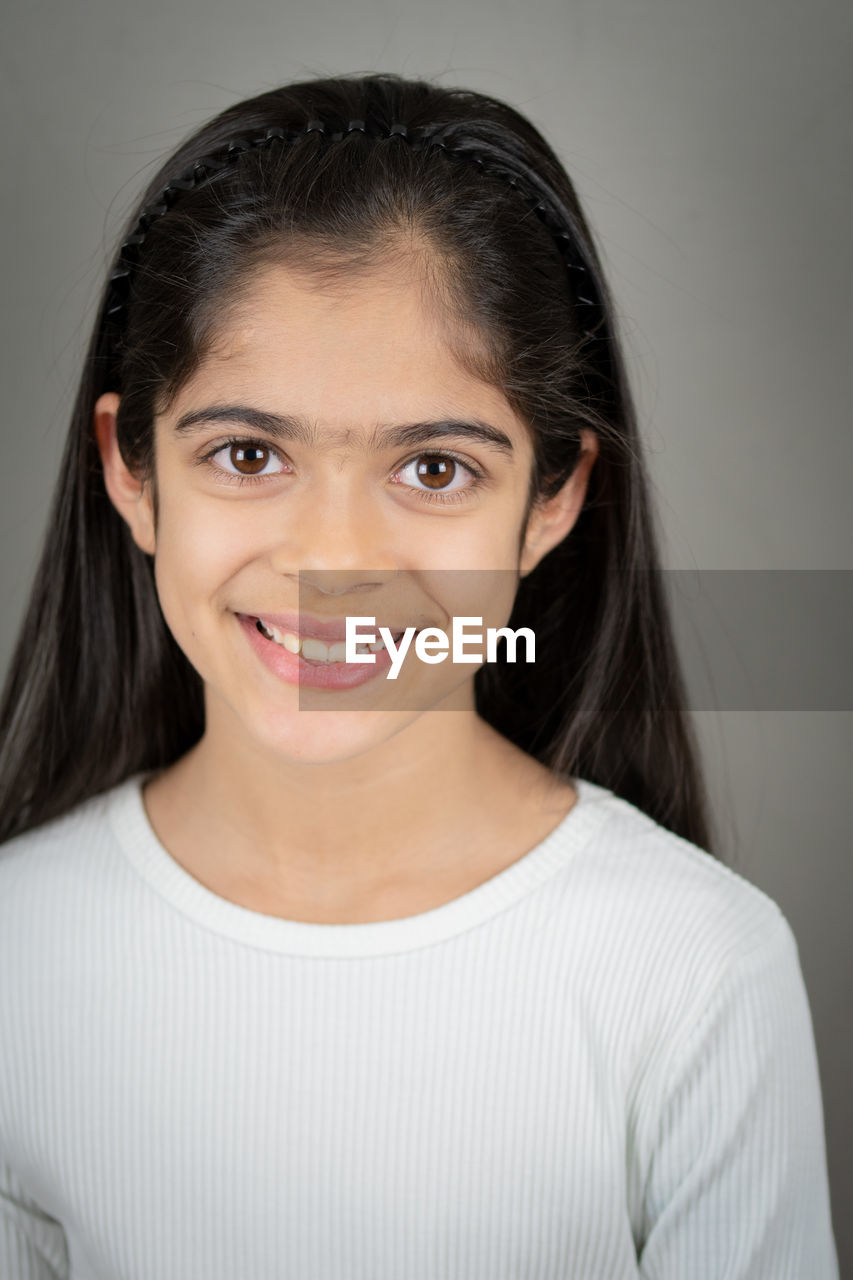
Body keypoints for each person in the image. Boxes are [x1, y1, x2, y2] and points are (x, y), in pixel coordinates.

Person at [0, 72, 839, 1278]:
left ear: (552, 500)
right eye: (247, 452)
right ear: (131, 471)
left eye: (434, 470)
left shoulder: (693, 969)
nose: (335, 560)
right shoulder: (19, 953)